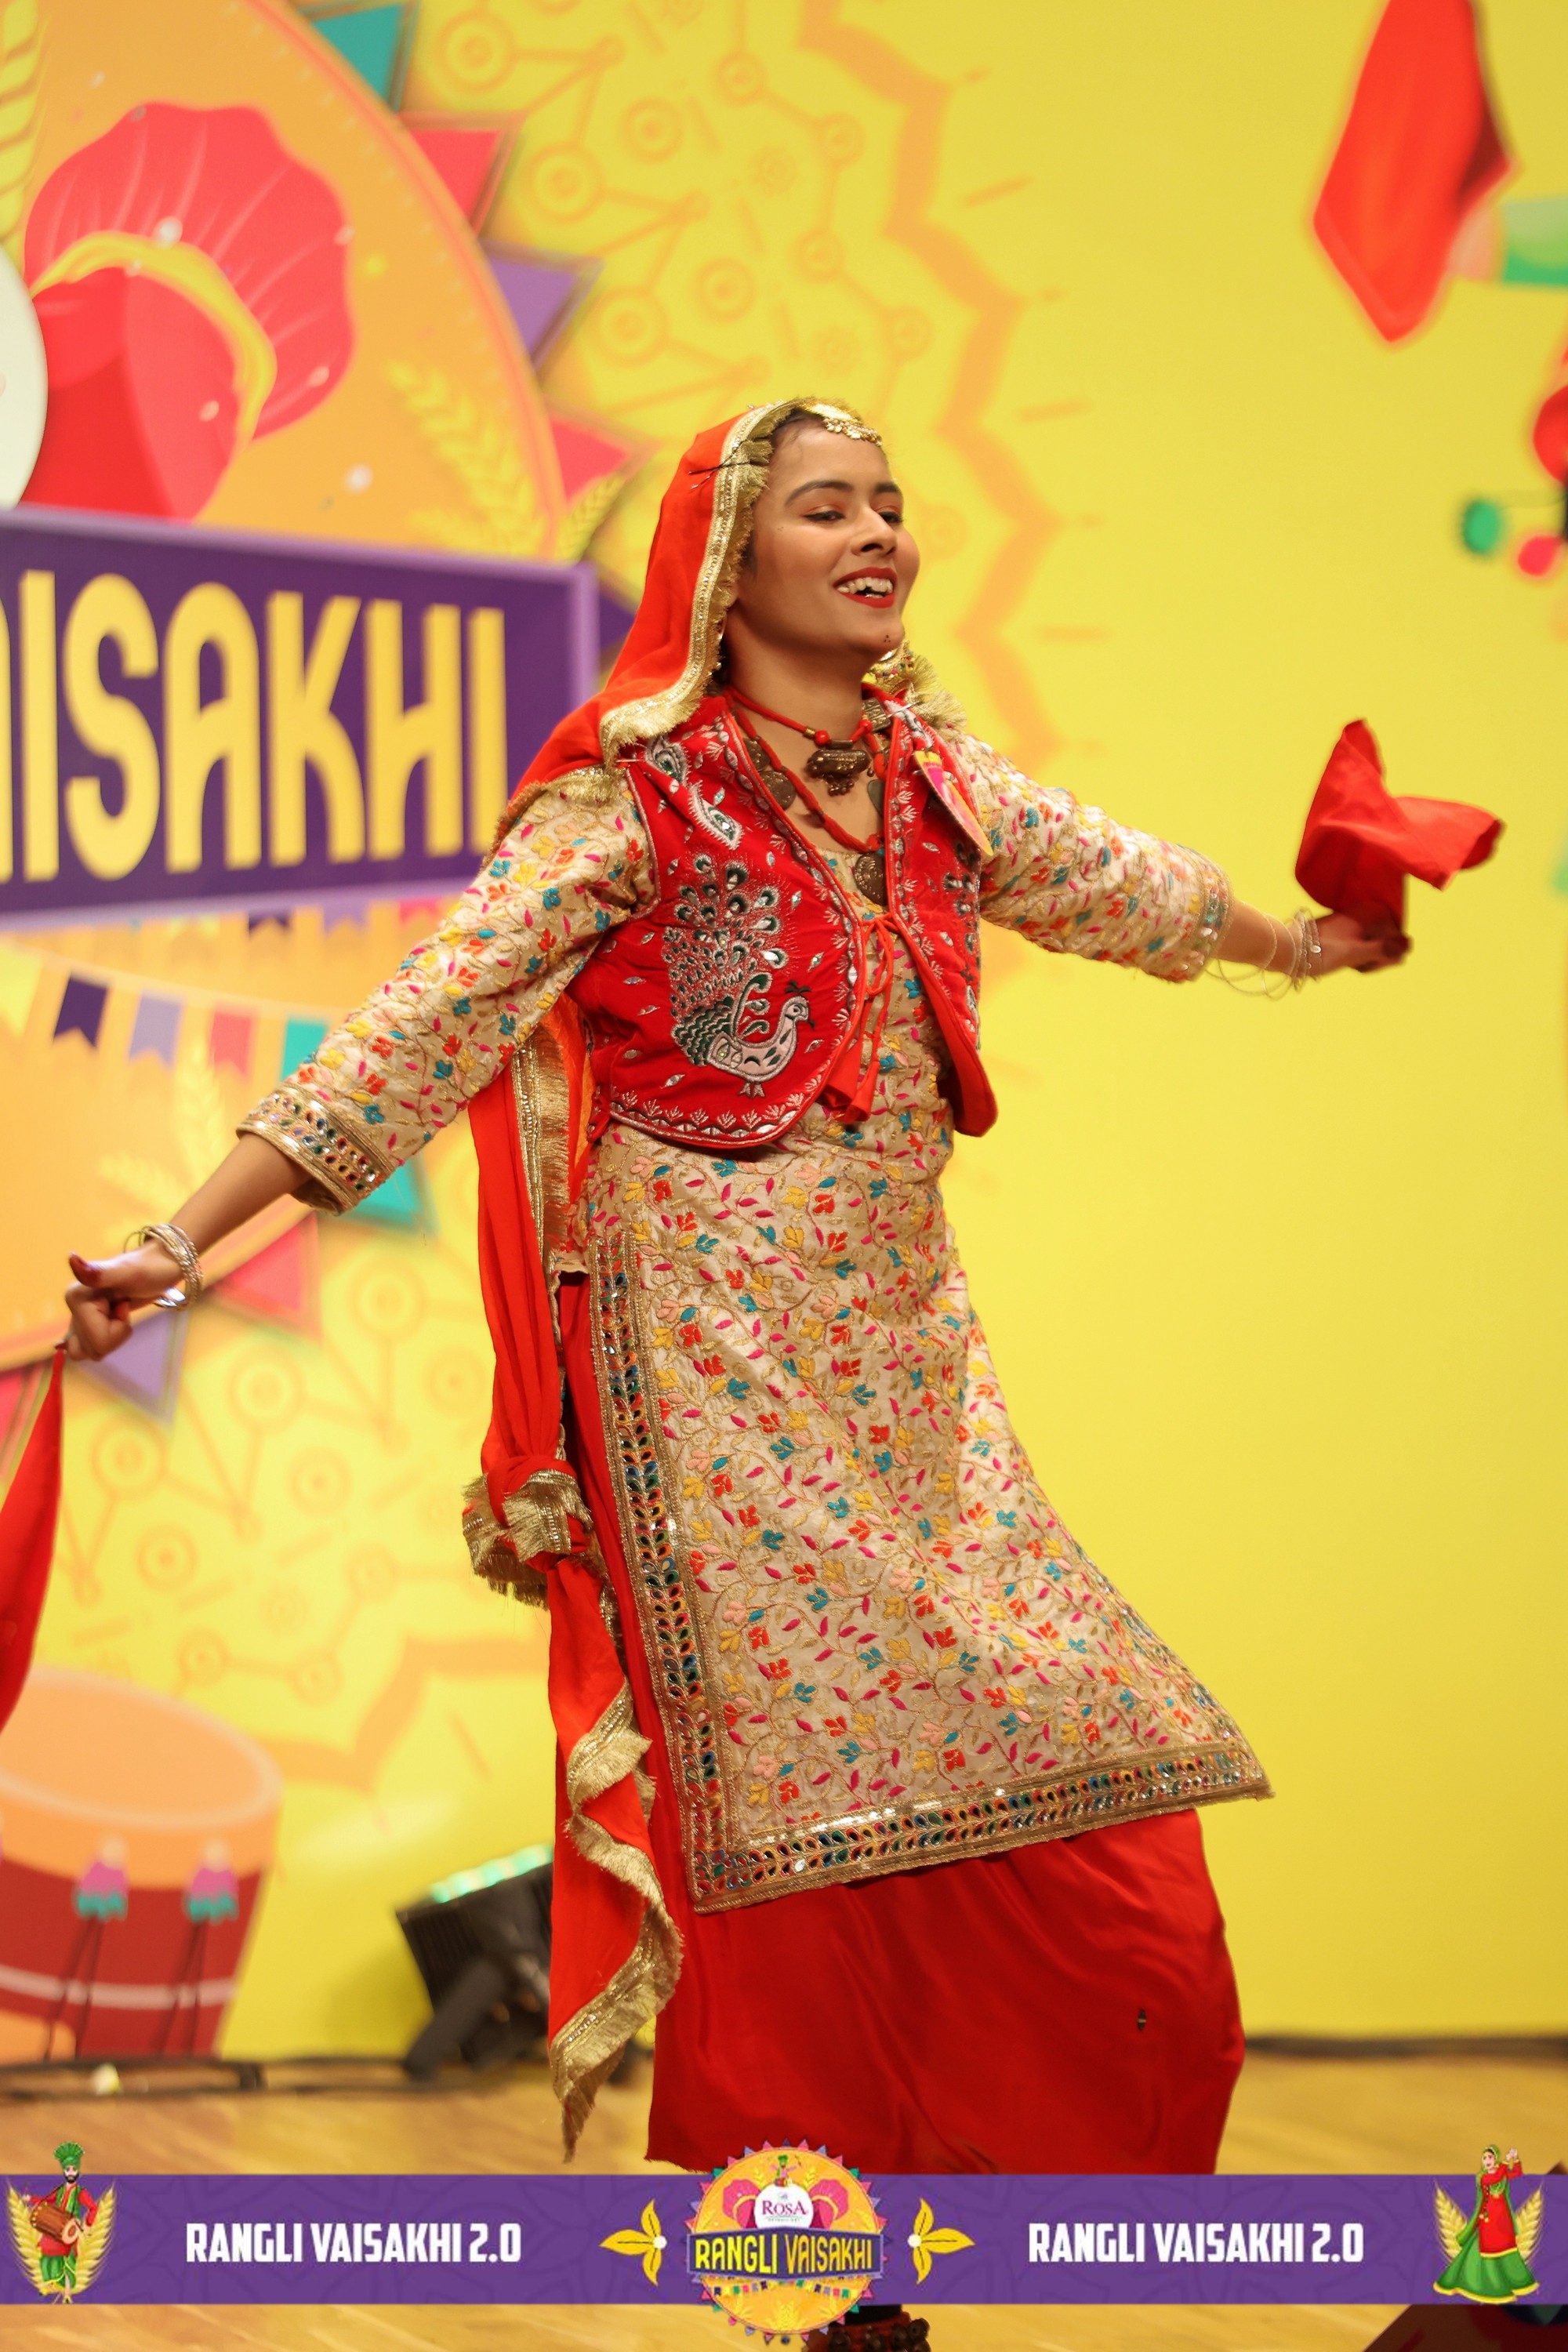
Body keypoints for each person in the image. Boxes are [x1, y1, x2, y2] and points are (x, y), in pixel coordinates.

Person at [64, 400, 1403, 2339]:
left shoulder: (932, 780)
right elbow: (415, 1035)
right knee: (779, 1827)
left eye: (889, 505)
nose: (875, 536)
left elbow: (1124, 886)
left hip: (905, 1369)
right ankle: (830, 2267)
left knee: (1062, 1750)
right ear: (725, 561)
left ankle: (915, 2209)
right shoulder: (630, 804)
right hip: (702, 1368)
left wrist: (1306, 945)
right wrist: (180, 1246)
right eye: (823, 507)